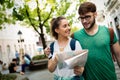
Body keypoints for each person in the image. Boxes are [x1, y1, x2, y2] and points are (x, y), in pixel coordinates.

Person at [72, 2, 120, 80]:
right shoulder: (75, 36)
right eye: (81, 18)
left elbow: (118, 56)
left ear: (95, 14)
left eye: (87, 17)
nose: (84, 21)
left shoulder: (109, 32)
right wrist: (49, 52)